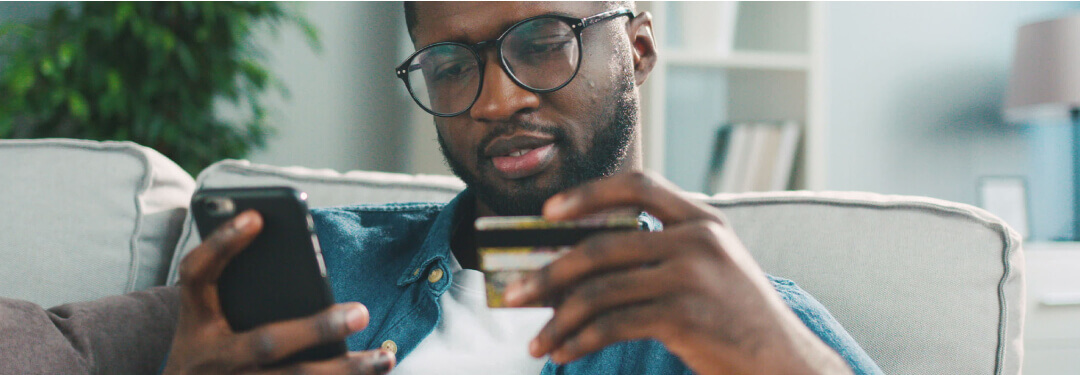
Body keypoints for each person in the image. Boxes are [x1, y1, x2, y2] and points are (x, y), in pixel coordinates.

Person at [0, 2, 882, 374]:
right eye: (452, 64)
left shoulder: (734, 316)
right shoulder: (324, 263)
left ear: (638, 50)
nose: (498, 98)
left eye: (542, 41)